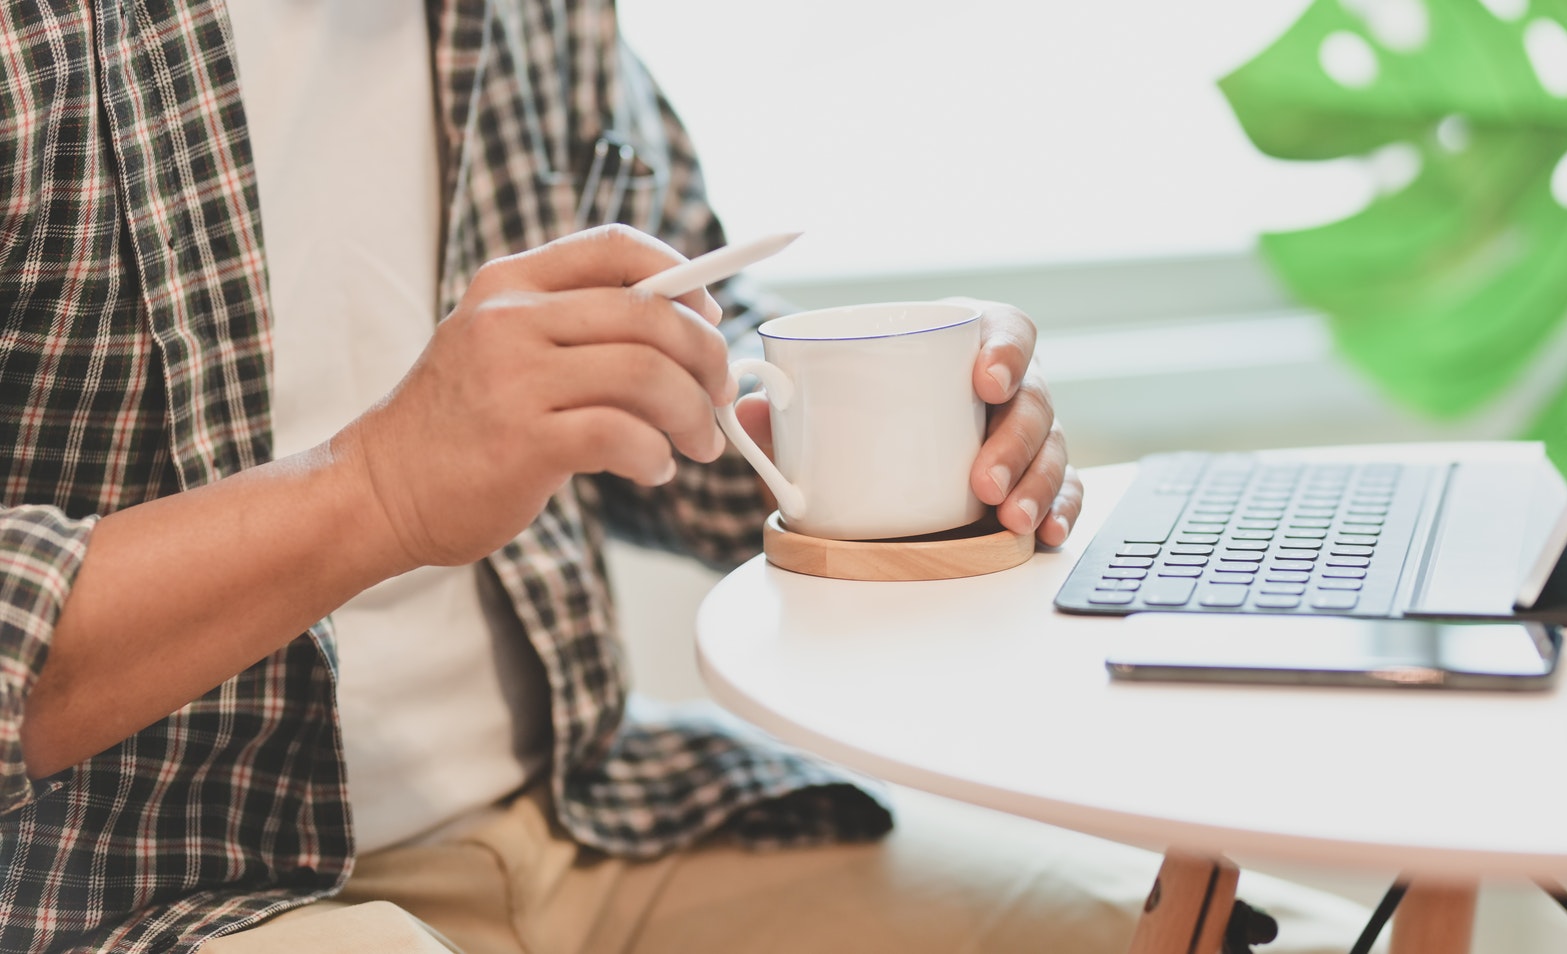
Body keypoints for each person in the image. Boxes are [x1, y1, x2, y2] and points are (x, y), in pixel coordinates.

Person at [0, 1, 1372, 951]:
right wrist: (377, 491)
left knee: (1322, 936)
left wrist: (899, 436)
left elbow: (690, 339)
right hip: (138, 890)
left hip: (594, 815)